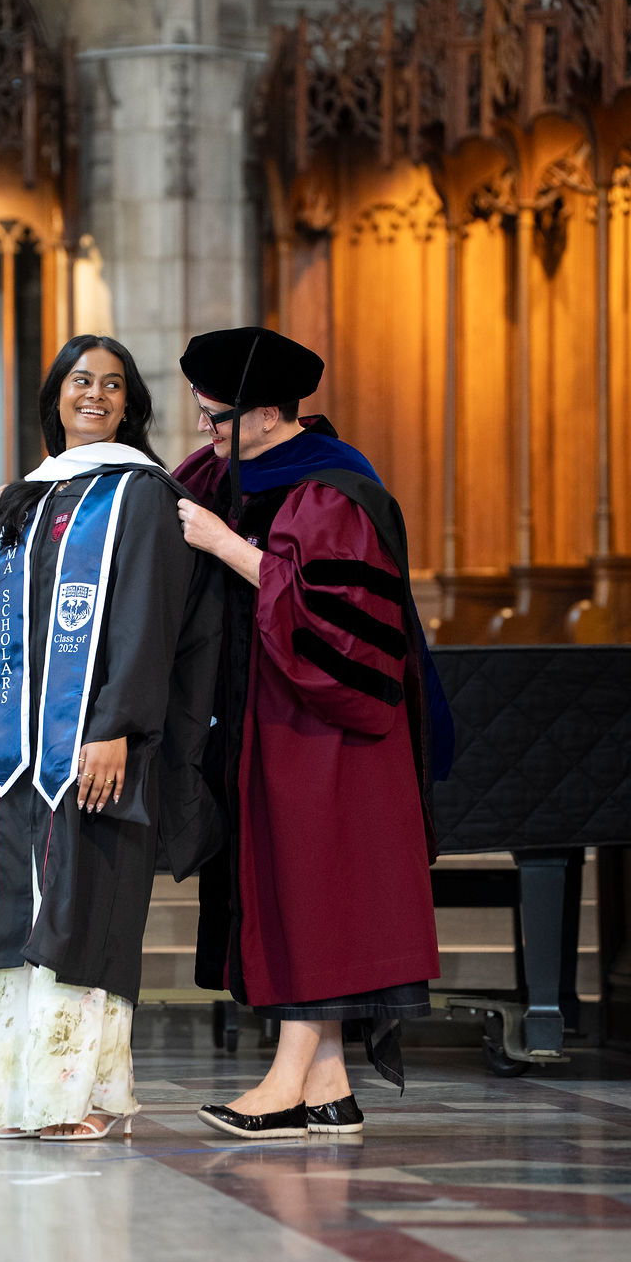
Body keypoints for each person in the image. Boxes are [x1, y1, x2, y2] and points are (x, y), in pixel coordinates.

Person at [174, 326, 452, 1140]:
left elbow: (333, 619)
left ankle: (287, 1084)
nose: (205, 431)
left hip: (329, 731)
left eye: (215, 416)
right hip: (269, 722)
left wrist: (230, 547)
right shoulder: (234, 469)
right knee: (292, 888)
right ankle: (329, 1085)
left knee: (311, 890)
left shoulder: (331, 490)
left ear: (266, 414)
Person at [0, 334, 220, 1142]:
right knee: (11, 922)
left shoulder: (141, 496)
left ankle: (77, 1097)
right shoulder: (23, 497)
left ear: (131, 403)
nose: (93, 393)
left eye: (111, 383)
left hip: (93, 755)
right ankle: (15, 1098)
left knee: (84, 916)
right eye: (77, 380)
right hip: (9, 762)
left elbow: (147, 626)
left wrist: (118, 729)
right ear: (54, 397)